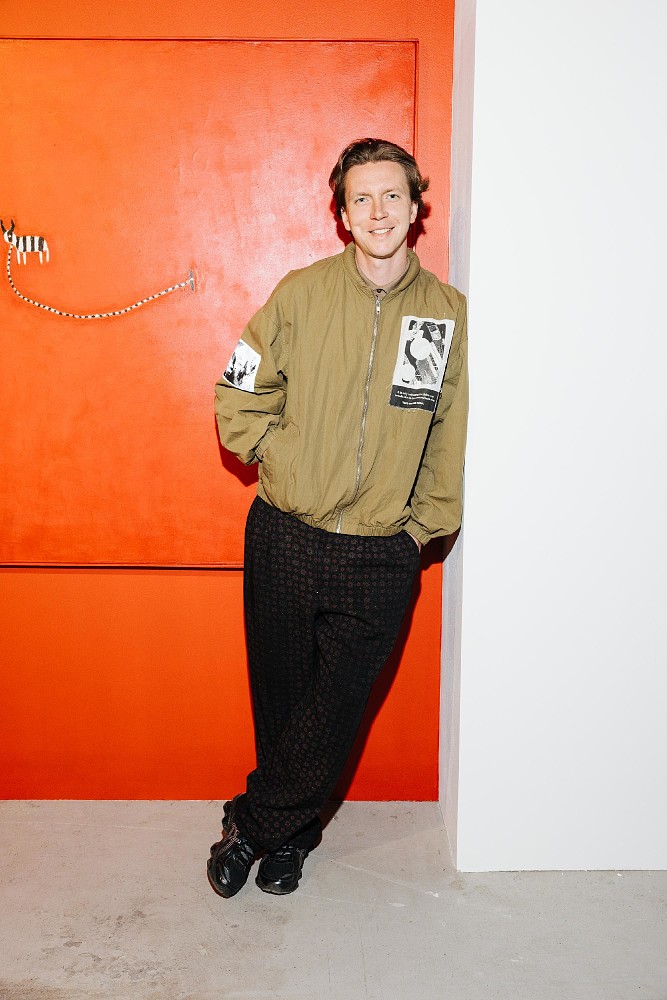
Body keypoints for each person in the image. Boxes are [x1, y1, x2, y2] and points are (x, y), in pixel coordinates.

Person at [208, 138, 468, 898]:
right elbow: (239, 383)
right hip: (286, 534)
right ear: (343, 215)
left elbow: (447, 430)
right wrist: (272, 453)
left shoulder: (444, 316)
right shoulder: (300, 294)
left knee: (334, 710)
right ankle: (290, 843)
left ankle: (250, 823)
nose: (378, 212)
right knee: (283, 703)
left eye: (392, 196)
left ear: (415, 208)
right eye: (361, 199)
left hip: (382, 549)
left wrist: (422, 528)